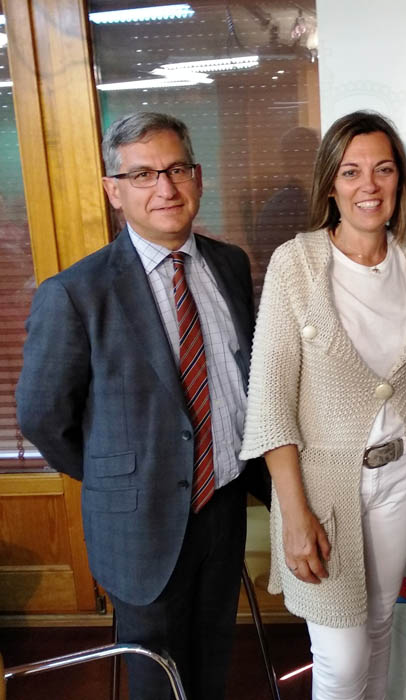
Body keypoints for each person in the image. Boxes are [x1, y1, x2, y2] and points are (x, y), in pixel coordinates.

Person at [16, 112, 264, 700]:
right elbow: (42, 418)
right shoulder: (76, 293)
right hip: (138, 524)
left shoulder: (230, 265)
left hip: (223, 507)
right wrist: (114, 476)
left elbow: (242, 377)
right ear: (114, 190)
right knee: (157, 680)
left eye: (177, 169)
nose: (166, 189)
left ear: (198, 176)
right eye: (144, 174)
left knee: (211, 664)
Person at [239, 110, 406, 700]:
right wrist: (294, 514)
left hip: (399, 477)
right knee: (342, 659)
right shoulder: (295, 263)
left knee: (378, 630)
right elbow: (271, 399)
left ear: (399, 180)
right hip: (323, 490)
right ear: (331, 184)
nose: (368, 186)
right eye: (351, 172)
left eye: (383, 169)